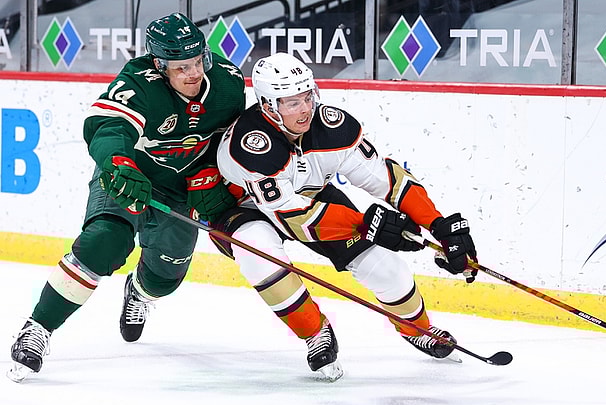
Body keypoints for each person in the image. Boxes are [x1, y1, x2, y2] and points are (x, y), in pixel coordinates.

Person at [7, 13, 246, 382]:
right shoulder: (138, 83)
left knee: (165, 278)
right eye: (181, 67)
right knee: (103, 241)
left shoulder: (228, 84)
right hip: (128, 178)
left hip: (181, 190)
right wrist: (119, 164)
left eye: (198, 61)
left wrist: (222, 187)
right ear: (160, 65)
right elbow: (108, 127)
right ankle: (38, 328)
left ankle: (138, 291)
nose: (193, 73)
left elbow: (236, 142)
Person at [212, 52, 478, 381]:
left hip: (309, 195)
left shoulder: (332, 126)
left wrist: (437, 225)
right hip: (245, 208)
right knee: (258, 251)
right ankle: (315, 333)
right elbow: (295, 217)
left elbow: (388, 181)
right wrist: (367, 225)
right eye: (292, 102)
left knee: (385, 266)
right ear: (268, 106)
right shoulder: (250, 145)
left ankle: (418, 329)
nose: (306, 109)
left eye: (307, 96)